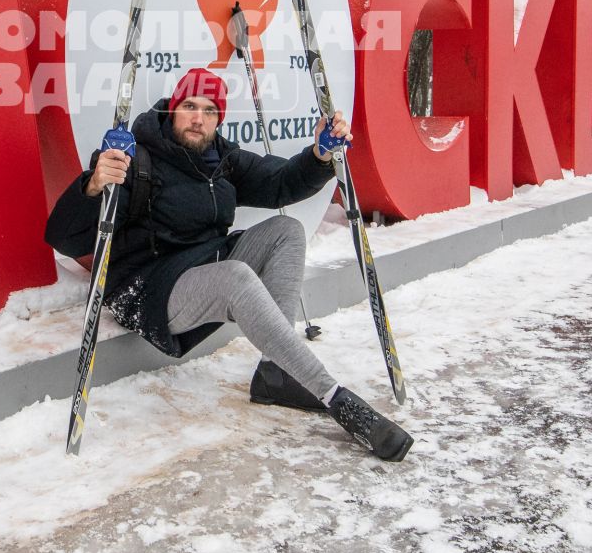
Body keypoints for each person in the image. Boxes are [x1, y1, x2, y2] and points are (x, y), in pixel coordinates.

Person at [45, 66, 413, 461]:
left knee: (285, 230)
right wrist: (95, 183)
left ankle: (278, 372)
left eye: (210, 110)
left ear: (219, 119)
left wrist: (320, 155)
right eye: (189, 106)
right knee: (236, 276)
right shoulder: (136, 157)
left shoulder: (221, 159)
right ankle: (334, 396)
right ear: (172, 109)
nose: (198, 118)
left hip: (203, 267)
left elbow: (282, 182)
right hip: (146, 289)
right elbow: (63, 237)